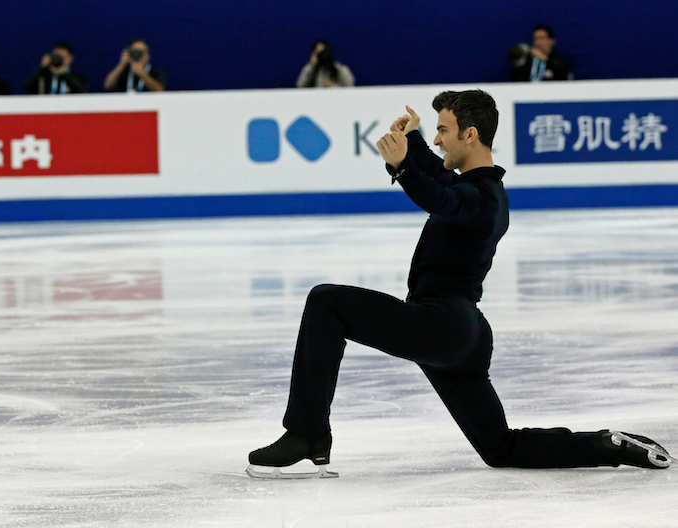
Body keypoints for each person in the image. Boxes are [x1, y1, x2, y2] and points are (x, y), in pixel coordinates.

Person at [247, 89, 672, 479]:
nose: (437, 140)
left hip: (440, 325)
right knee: (499, 447)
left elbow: (442, 198)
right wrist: (411, 142)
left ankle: (306, 434)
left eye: (442, 130)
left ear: (470, 134)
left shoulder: (481, 200)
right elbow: (442, 179)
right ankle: (605, 445)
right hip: (460, 335)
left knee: (326, 303)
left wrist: (401, 167)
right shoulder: (484, 190)